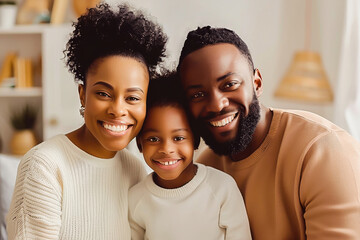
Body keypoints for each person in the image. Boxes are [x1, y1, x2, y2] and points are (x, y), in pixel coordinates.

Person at [177, 26, 360, 240]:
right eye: (198, 94)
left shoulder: (321, 149)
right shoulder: (207, 168)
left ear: (257, 83)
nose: (217, 105)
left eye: (229, 84)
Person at [6, 3, 167, 239]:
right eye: (103, 94)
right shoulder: (44, 166)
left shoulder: (136, 169)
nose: (117, 109)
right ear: (83, 94)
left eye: (132, 97)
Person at [128, 71, 252, 240]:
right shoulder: (136, 199)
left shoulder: (222, 188)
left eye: (178, 138)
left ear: (195, 140)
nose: (166, 149)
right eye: (153, 139)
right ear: (139, 143)